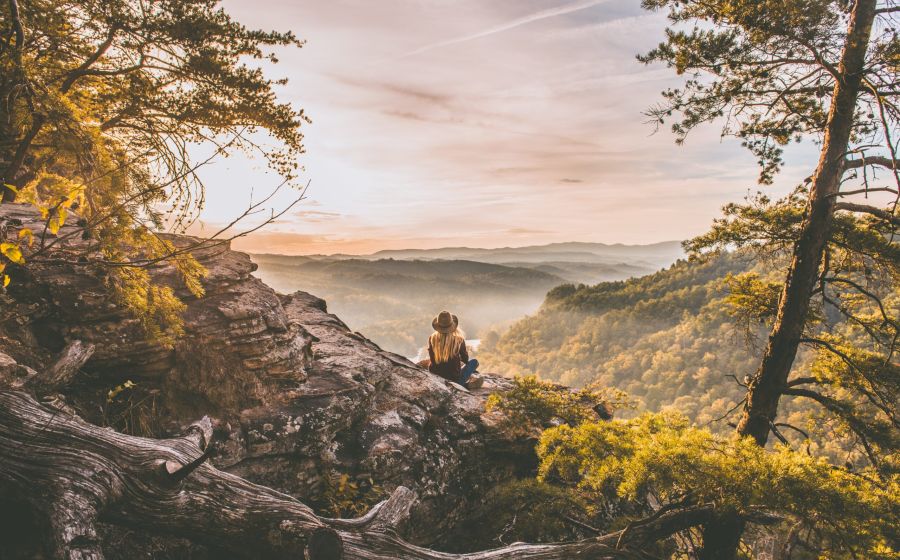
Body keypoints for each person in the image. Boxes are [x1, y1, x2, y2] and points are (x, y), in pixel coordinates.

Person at [424, 310, 483, 389]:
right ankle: (463, 385)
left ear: (438, 325)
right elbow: (465, 359)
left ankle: (461, 385)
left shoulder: (432, 338)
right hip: (454, 378)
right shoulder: (458, 340)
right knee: (474, 362)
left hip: (436, 378)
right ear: (452, 325)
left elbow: (432, 358)